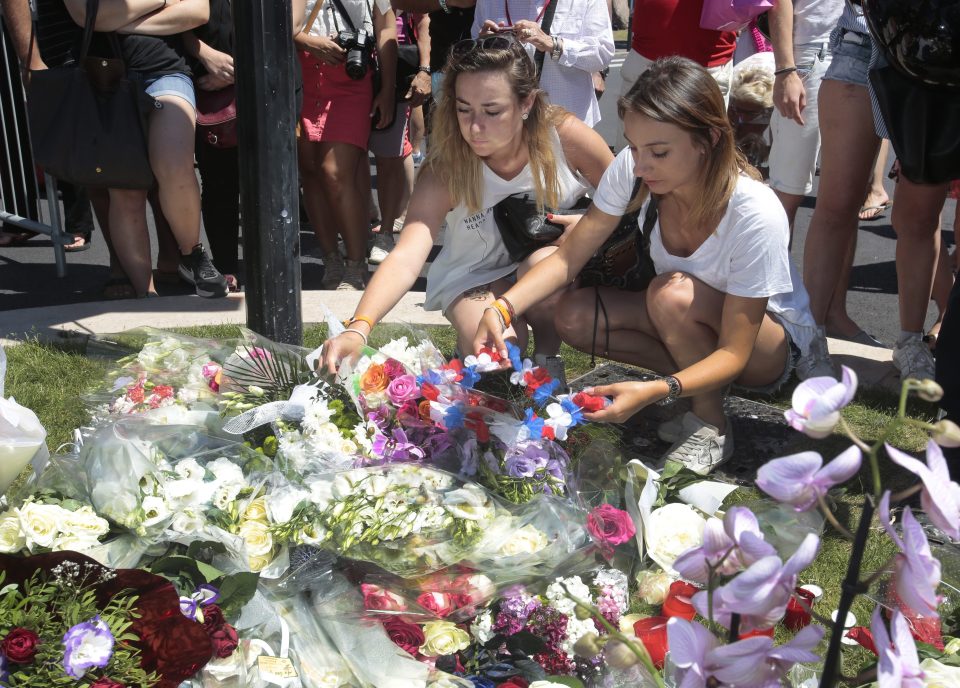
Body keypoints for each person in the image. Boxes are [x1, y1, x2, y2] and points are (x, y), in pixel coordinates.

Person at [474, 57, 831, 475]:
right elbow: (571, 257)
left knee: (670, 294)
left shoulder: (754, 210)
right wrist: (502, 309)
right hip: (687, 320)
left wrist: (656, 389)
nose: (639, 166)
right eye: (634, 146)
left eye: (658, 152)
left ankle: (711, 422)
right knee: (574, 316)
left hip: (767, 353)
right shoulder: (636, 166)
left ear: (709, 139)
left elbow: (736, 350)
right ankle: (695, 388)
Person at [319, 35, 612, 373]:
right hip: (473, 275)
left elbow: (628, 200)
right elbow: (407, 256)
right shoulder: (446, 166)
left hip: (542, 265)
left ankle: (548, 357)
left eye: (492, 111)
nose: (474, 127)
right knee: (494, 357)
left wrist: (591, 225)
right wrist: (359, 326)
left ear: (527, 103)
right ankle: (472, 346)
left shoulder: (563, 136)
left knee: (548, 263)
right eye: (463, 109)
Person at [63, 0, 229, 298]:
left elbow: (196, 11)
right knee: (124, 189)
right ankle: (146, 295)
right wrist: (164, 1)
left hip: (165, 69)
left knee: (175, 167)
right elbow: (85, 15)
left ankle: (192, 253)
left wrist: (120, 20)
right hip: (104, 75)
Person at [295, 0, 397, 291]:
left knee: (335, 172)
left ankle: (355, 265)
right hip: (301, 74)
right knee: (311, 172)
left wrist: (388, 89)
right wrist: (309, 42)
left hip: (351, 78)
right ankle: (331, 260)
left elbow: (387, 28)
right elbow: (282, 28)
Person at [473, 0, 614, 127]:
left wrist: (553, 45)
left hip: (566, 125)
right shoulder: (488, 2)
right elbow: (473, 56)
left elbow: (603, 53)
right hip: (505, 125)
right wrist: (483, 45)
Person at [766, 0, 842, 232]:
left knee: (844, 198)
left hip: (866, 50)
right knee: (787, 192)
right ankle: (776, 268)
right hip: (812, 52)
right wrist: (786, 70)